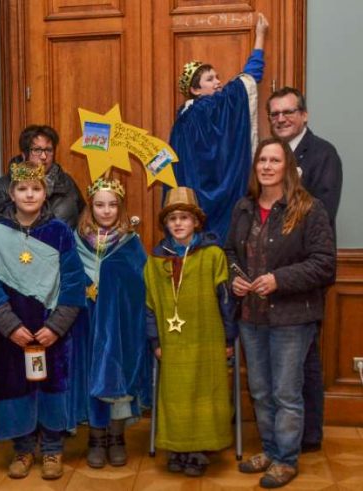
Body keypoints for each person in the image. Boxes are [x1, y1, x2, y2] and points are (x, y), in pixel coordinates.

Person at [225, 138, 335, 488]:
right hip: (251, 316)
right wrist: (234, 279)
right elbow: (229, 252)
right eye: (262, 160)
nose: (267, 166)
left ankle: (286, 459)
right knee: (260, 390)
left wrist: (278, 279)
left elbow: (324, 265)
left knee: (286, 392)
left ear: (287, 166)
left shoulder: (308, 208)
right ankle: (271, 451)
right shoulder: (243, 208)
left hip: (292, 318)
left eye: (275, 160)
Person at [0, 161, 86, 480]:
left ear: (45, 193)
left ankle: (52, 448)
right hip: (11, 332)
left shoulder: (60, 233)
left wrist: (56, 326)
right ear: (11, 193)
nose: (29, 194)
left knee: (52, 385)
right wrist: (9, 326)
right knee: (15, 384)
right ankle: (22, 448)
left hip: (51, 331)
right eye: (22, 189)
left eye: (36, 189)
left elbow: (74, 283)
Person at [267, 87, 343, 453]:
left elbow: (324, 213)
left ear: (304, 115)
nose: (281, 118)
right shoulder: (267, 157)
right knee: (284, 361)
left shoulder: (323, 154)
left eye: (288, 112)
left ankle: (308, 435)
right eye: (275, 114)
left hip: (307, 272)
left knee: (306, 355)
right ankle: (290, 434)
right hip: (272, 276)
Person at [144, 187, 237, 477]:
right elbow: (149, 304)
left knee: (204, 390)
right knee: (176, 394)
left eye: (184, 218)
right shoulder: (156, 259)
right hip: (172, 342)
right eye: (173, 219)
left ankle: (199, 449)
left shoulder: (213, 255)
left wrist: (228, 337)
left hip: (208, 338)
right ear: (166, 224)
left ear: (196, 222)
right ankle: (177, 447)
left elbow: (225, 298)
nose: (178, 224)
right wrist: (155, 339)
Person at [73, 176, 151, 468]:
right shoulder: (77, 240)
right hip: (88, 323)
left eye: (112, 205)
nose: (106, 211)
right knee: (92, 374)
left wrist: (114, 290)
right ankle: (96, 437)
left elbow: (139, 282)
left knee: (118, 375)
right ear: (90, 207)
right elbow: (68, 275)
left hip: (119, 325)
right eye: (99, 205)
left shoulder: (130, 243)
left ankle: (117, 436)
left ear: (120, 207)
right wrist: (86, 286)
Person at [170, 13, 268, 243]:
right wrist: (260, 38)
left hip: (191, 203)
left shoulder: (182, 119)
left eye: (217, 77)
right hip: (224, 200)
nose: (218, 82)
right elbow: (249, 78)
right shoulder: (213, 107)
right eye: (210, 79)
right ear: (195, 90)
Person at [0, 125, 84, 232]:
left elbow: (84, 221)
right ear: (24, 155)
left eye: (48, 150)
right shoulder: (2, 187)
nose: (44, 156)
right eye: (37, 150)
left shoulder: (67, 183)